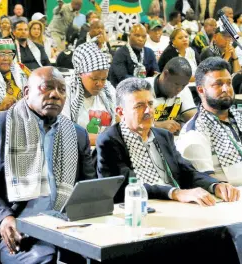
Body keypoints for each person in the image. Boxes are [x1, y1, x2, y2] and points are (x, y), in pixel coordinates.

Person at [0, 66, 96, 264]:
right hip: (16, 227)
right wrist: (3, 219)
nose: (55, 95)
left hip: (63, 224)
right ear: (27, 92)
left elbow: (89, 188)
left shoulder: (76, 134)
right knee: (45, 259)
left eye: (62, 90)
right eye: (47, 88)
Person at [96, 77, 240, 204]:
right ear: (121, 112)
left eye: (150, 104)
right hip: (141, 209)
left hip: (176, 206)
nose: (148, 111)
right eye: (139, 106)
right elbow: (123, 187)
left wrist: (215, 185)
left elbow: (187, 172)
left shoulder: (162, 136)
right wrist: (174, 193)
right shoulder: (110, 140)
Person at [177, 57, 242, 186]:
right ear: (201, 90)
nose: (226, 89)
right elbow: (206, 181)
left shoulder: (237, 115)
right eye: (218, 84)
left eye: (228, 83)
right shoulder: (195, 132)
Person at [62, 42, 116, 146]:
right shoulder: (66, 92)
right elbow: (66, 133)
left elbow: (120, 121)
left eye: (103, 79)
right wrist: (107, 139)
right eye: (94, 79)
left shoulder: (108, 90)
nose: (99, 84)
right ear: (80, 73)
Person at [146, 57, 196, 134]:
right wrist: (157, 125)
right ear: (165, 74)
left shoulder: (183, 89)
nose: (179, 89)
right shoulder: (143, 88)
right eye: (176, 84)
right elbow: (128, 123)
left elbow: (193, 118)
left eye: (183, 85)